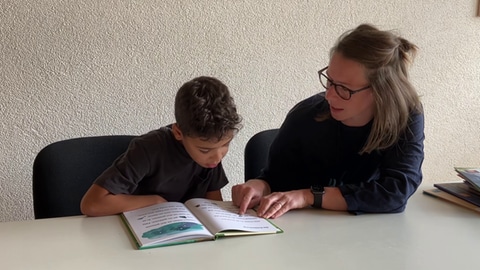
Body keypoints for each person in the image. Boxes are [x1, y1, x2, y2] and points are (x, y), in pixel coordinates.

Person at [232, 23, 424, 218]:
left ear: (381, 91)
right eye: (330, 81)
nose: (329, 96)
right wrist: (258, 186)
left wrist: (309, 196)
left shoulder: (406, 117)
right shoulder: (305, 116)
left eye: (344, 88)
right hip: (302, 232)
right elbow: (275, 180)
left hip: (369, 233)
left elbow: (396, 191)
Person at [81, 76, 242, 216]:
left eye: (226, 144)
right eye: (204, 150)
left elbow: (213, 205)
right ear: (178, 132)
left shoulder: (212, 156)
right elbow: (91, 204)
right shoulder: (148, 149)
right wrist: (155, 201)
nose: (218, 156)